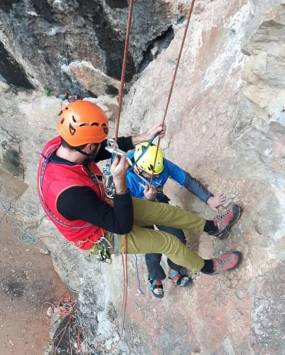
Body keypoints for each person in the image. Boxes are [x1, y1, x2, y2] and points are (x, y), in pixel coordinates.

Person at [37, 100, 242, 294]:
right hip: (99, 235)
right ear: (88, 146)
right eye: (97, 142)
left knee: (165, 211)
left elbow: (103, 149)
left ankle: (213, 227)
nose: (101, 145)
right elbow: (121, 226)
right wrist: (119, 182)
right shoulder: (70, 195)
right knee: (167, 242)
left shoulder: (64, 144)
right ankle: (209, 267)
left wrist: (143, 137)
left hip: (98, 204)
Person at [125, 143, 241, 298]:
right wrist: (146, 199)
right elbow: (123, 207)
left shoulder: (159, 163)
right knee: (153, 246)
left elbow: (186, 180)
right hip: (135, 213)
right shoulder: (126, 177)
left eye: (159, 174)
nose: (158, 178)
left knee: (178, 239)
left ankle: (175, 270)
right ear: (139, 170)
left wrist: (208, 199)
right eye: (152, 176)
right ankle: (155, 277)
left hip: (157, 202)